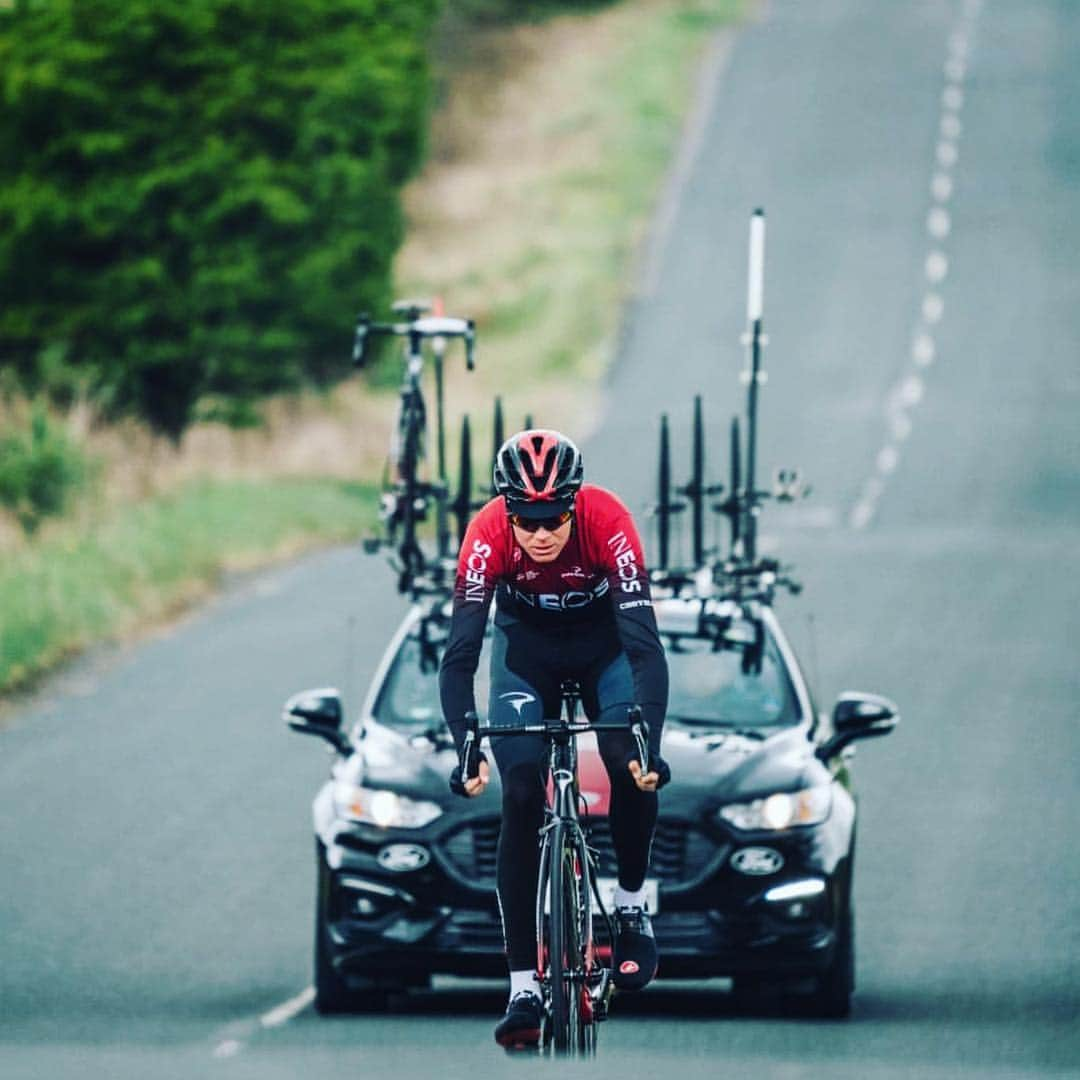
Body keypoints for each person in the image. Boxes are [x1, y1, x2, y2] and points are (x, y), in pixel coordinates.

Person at [439, 429, 670, 1049]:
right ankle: (522, 986)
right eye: (527, 519)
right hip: (527, 655)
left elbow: (645, 647)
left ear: (575, 504)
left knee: (627, 762)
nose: (540, 533)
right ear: (507, 510)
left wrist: (649, 739)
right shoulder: (487, 534)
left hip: (605, 650)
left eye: (554, 518)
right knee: (519, 791)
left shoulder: (609, 520)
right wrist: (466, 747)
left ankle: (630, 907)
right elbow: (460, 656)